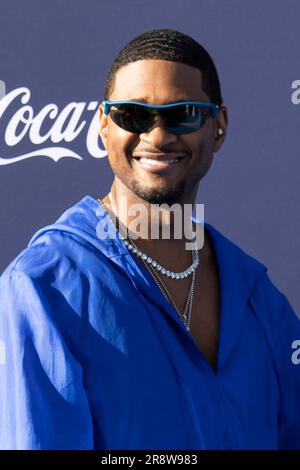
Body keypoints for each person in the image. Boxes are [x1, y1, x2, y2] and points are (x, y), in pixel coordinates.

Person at [0, 28, 299, 450]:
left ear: (220, 126)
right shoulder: (42, 289)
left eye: (184, 114)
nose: (157, 136)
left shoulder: (256, 294)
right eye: (133, 115)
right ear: (104, 125)